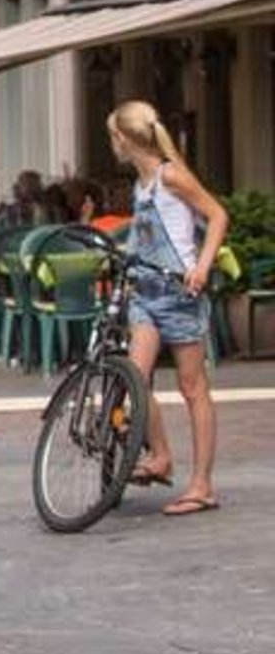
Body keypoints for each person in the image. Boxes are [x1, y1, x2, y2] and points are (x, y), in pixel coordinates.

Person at [110, 101, 229, 516]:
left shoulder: (171, 176)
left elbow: (217, 215)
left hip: (179, 293)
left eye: (113, 135)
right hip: (146, 292)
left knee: (192, 386)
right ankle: (160, 456)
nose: (113, 144)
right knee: (135, 380)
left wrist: (202, 266)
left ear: (124, 139)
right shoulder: (141, 185)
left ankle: (202, 485)